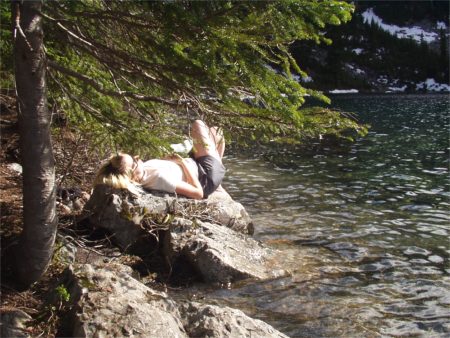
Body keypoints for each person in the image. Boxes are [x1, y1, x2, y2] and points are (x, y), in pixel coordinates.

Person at [94, 120, 225, 200]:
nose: (137, 157)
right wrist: (182, 163)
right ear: (133, 177)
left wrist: (168, 159)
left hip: (195, 165)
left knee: (213, 131)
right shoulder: (160, 180)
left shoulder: (144, 170)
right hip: (205, 176)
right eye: (134, 161)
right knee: (202, 126)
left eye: (133, 156)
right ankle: (216, 181)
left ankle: (218, 181)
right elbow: (198, 193)